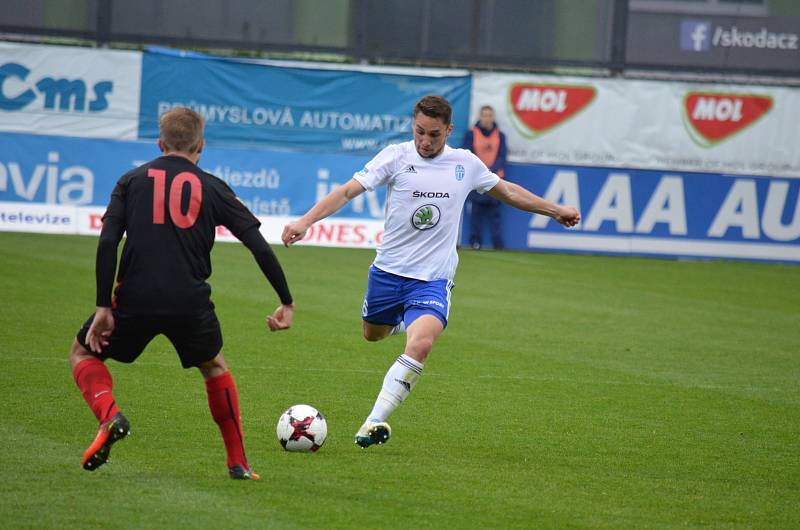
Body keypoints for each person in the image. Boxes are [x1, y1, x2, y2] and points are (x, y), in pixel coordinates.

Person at [281, 95, 579, 449]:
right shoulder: (395, 157)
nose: (425, 141)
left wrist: (554, 210)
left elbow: (508, 192)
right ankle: (404, 320)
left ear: (449, 131)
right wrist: (306, 221)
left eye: (434, 135)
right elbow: (348, 191)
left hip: (433, 279)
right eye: (420, 132)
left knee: (421, 344)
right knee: (372, 334)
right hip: (388, 273)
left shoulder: (465, 164)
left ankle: (373, 421)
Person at [69, 107, 294, 480]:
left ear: (160, 144)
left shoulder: (131, 181)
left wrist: (102, 306)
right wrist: (285, 299)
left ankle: (109, 416)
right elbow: (257, 245)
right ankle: (238, 462)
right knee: (214, 367)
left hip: (134, 298)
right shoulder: (213, 186)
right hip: (189, 301)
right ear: (200, 146)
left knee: (81, 353)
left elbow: (108, 241)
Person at [462, 105, 506, 250]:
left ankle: (497, 244)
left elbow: (502, 157)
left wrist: (490, 171)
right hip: (476, 179)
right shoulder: (471, 134)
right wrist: (481, 171)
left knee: (495, 215)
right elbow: (468, 154)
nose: (487, 118)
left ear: (493, 117)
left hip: (496, 179)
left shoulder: (500, 136)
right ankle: (475, 242)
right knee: (476, 214)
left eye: (489, 115)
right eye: (484, 115)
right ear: (480, 117)